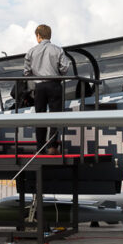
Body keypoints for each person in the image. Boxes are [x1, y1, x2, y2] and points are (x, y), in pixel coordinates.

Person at [23, 24, 71, 154]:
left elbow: (26, 72)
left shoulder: (31, 51)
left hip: (39, 87)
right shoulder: (58, 50)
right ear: (50, 35)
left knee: (40, 116)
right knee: (55, 116)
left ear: (38, 36)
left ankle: (40, 148)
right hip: (54, 85)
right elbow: (65, 68)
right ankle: (52, 146)